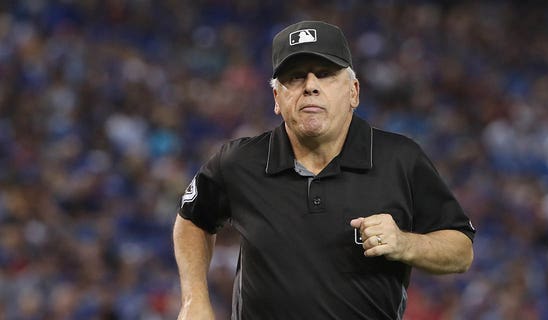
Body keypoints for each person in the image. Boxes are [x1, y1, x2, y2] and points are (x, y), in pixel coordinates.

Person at [173, 20, 476, 320]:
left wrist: (404, 242)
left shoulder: (400, 158)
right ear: (277, 99)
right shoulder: (239, 162)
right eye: (294, 77)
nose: (310, 86)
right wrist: (193, 300)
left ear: (354, 92)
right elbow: (192, 220)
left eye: (326, 74)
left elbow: (460, 251)